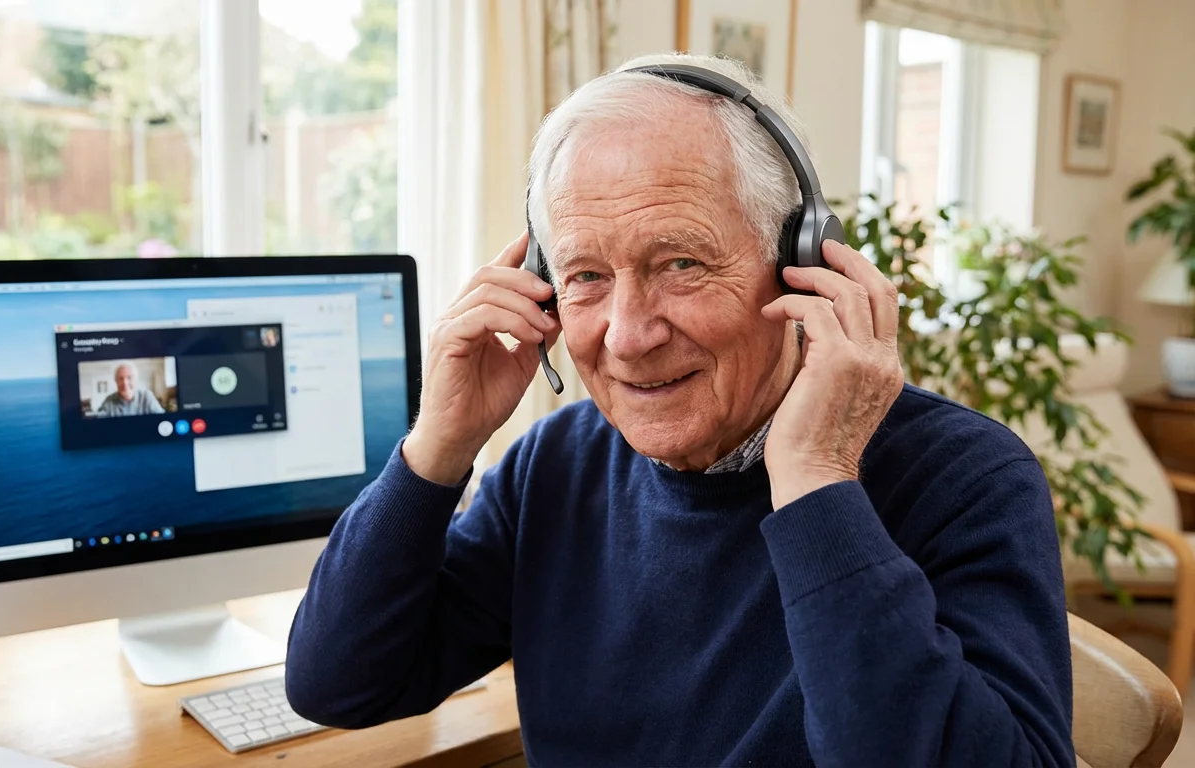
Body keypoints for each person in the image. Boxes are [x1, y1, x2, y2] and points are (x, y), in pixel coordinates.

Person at [285, 53, 1072, 767]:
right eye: (586, 275)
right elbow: (339, 684)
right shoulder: (557, 463)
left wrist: (815, 480)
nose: (627, 337)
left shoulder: (966, 476)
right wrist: (439, 444)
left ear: (801, 265)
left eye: (682, 262)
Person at [95, 361, 165, 417]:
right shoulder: (109, 401)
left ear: (136, 380)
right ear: (116, 381)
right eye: (120, 378)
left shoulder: (147, 396)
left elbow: (161, 419)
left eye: (129, 378)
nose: (125, 383)